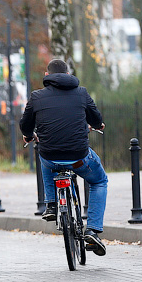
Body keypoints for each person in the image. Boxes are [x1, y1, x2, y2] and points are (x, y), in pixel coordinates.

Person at [19, 59, 108, 256]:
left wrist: (28, 136)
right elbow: (96, 119)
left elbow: (25, 124)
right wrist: (98, 125)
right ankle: (92, 230)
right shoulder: (81, 93)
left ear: (46, 75)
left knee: (44, 156)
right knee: (100, 181)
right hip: (79, 157)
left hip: (50, 157)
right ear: (68, 75)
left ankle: (51, 204)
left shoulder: (36, 97)